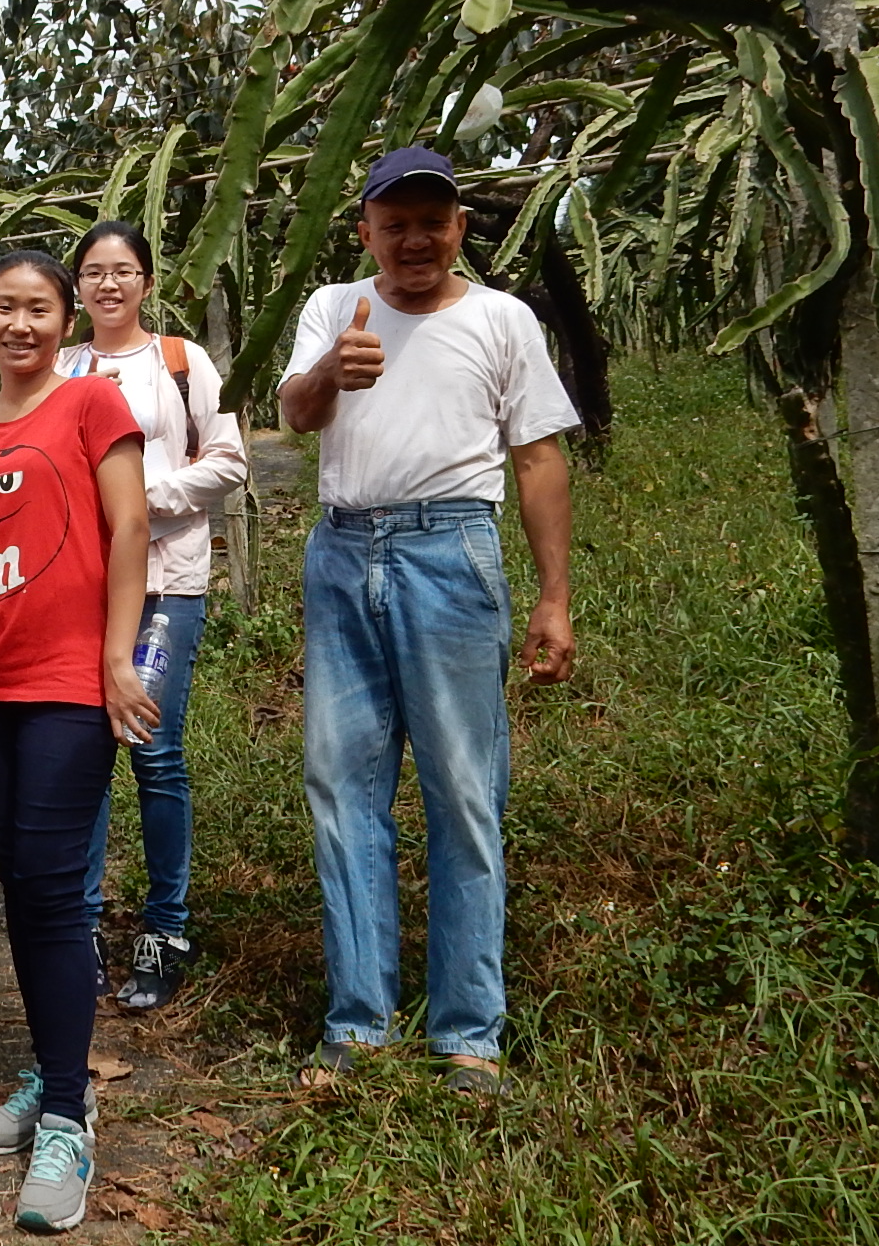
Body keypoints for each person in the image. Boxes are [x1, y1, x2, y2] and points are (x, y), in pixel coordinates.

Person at [276, 146, 577, 1096]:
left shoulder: (500, 319)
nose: (414, 238)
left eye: (432, 221)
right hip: (343, 552)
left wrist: (554, 597)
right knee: (341, 788)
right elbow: (292, 415)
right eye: (394, 222)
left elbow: (536, 459)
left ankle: (467, 1032)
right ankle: (359, 1020)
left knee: (464, 793)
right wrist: (333, 370)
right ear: (365, 230)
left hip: (451, 553)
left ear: (459, 229)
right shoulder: (334, 308)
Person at [0, 250, 157, 1235]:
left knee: (53, 884)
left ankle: (67, 1114)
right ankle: (55, 1070)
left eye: (38, 308)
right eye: (3, 308)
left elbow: (131, 524)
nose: (19, 324)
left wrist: (117, 661)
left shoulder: (91, 406)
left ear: (63, 321)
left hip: (67, 686)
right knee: (23, 883)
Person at [60, 221, 248, 1011]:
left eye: (124, 271)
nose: (109, 285)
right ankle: (82, 929)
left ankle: (165, 928)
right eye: (95, 273)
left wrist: (140, 503)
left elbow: (230, 461)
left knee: (152, 746)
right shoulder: (62, 367)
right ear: (77, 288)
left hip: (167, 583)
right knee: (85, 757)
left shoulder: (181, 361)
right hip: (83, 589)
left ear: (145, 282)